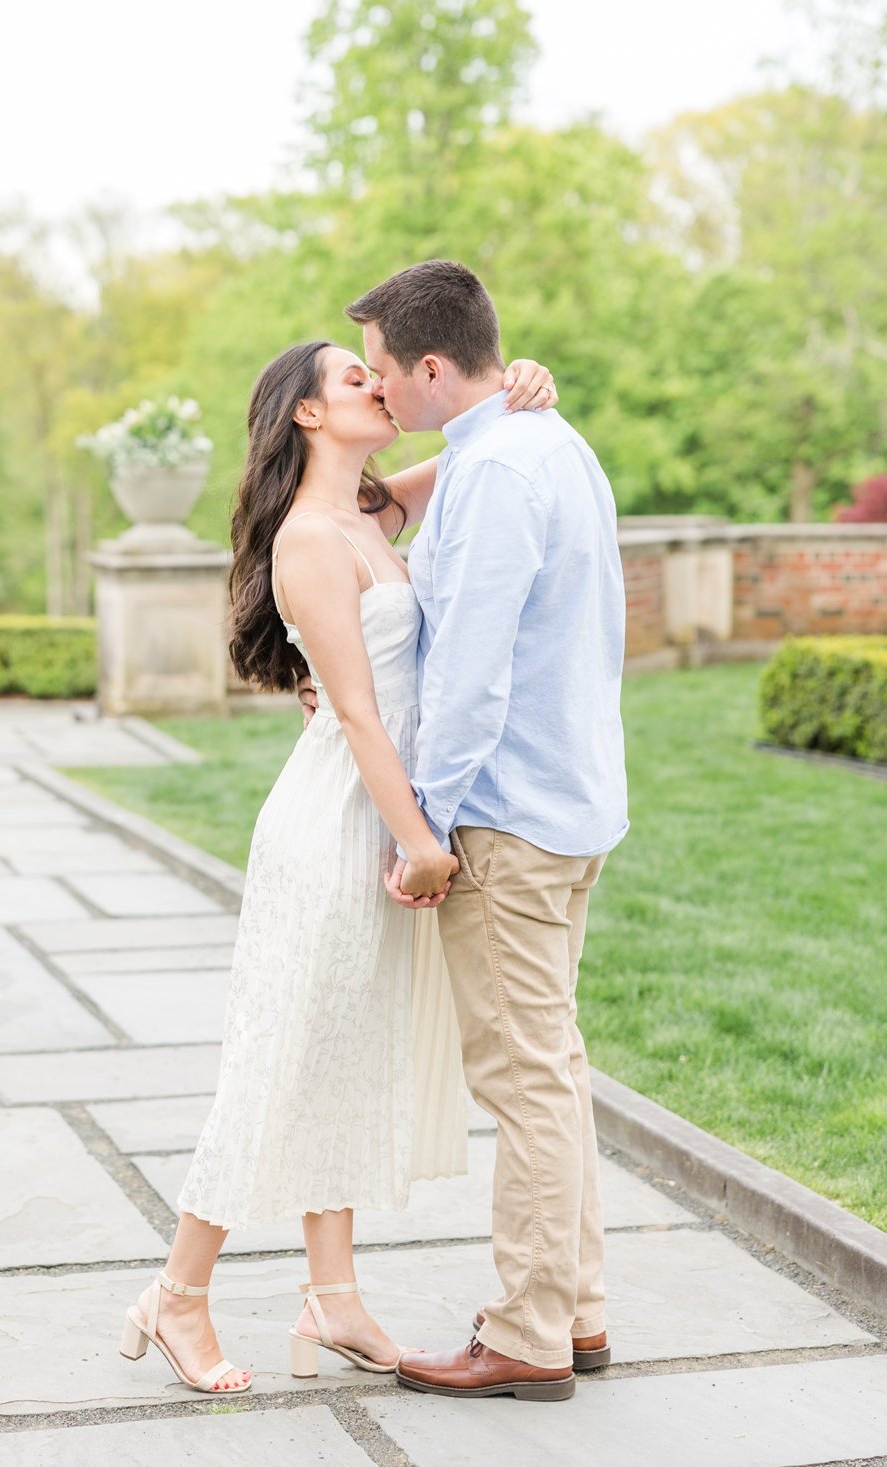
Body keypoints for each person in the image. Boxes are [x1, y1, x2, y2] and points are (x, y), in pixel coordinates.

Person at [117, 339, 556, 1395]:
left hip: (377, 810)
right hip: (334, 827)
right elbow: (355, 710)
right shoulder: (312, 538)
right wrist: (418, 839)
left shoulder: (367, 510)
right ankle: (176, 1296)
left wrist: (520, 385)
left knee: (346, 1053)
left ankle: (334, 1296)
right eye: (356, 378)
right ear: (308, 415)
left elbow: (468, 455)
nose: (380, 384)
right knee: (281, 1056)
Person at [340, 259, 629, 1402]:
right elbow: (393, 500)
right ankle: (578, 1312)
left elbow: (469, 679)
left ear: (426, 365)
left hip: (508, 819)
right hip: (571, 805)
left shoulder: (501, 469)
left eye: (377, 369)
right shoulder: (528, 444)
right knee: (551, 1069)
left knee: (524, 1083)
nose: (371, 385)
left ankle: (524, 1335)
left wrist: (427, 826)